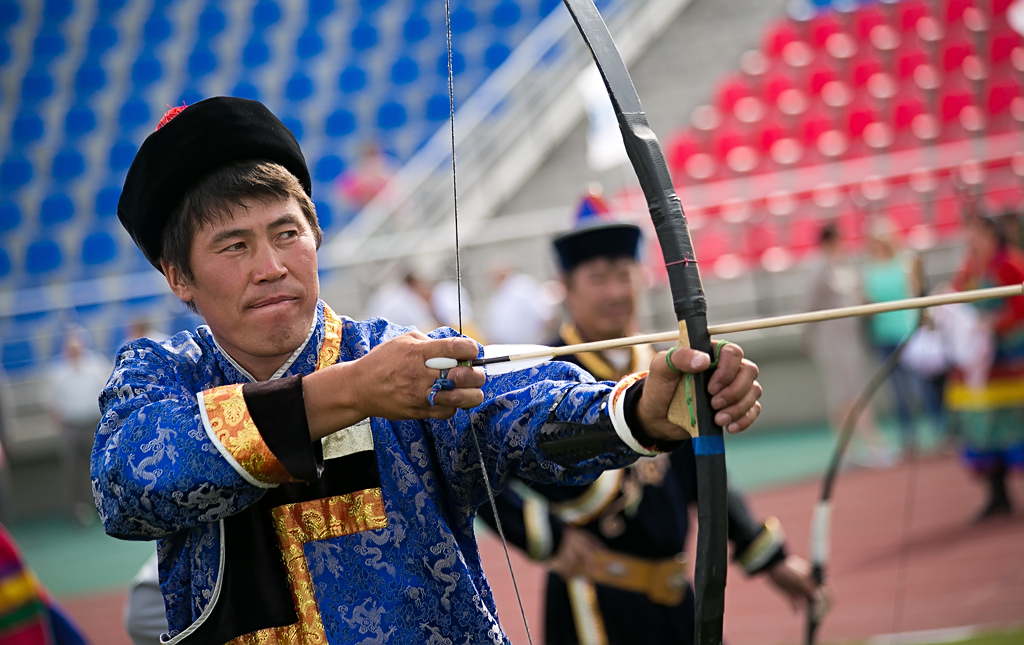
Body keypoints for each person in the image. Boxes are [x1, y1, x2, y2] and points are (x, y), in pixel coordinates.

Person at [92, 97, 763, 643]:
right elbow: (132, 482)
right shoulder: (160, 377)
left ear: (317, 233)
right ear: (178, 276)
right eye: (234, 246)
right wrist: (353, 389)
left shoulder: (406, 358)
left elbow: (518, 411)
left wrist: (644, 409)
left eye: (286, 233)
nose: (271, 266)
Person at [477, 203, 819, 643]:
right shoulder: (545, 370)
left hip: (675, 597)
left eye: (624, 275)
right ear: (565, 288)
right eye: (597, 278)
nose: (616, 292)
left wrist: (768, 557)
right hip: (592, 603)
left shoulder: (661, 365)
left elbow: (701, 471)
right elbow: (477, 460)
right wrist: (547, 538)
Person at [945, 213, 1024, 521]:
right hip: (979, 365)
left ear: (992, 235)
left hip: (1008, 358)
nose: (971, 239)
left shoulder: (1010, 263)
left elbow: (1019, 306)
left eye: (976, 232)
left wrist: (994, 323)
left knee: (1015, 423)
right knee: (984, 429)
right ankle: (998, 495)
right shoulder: (969, 267)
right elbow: (956, 300)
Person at [804, 222, 897, 468]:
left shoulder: (844, 265)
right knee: (843, 395)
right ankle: (855, 448)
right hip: (831, 341)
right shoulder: (820, 267)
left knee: (855, 391)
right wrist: (810, 337)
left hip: (851, 340)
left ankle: (863, 446)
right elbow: (810, 305)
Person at [861, 219, 925, 451]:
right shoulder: (869, 269)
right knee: (897, 391)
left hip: (906, 333)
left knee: (918, 384)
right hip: (882, 335)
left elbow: (916, 293)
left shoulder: (904, 262)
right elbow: (866, 302)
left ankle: (937, 428)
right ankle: (908, 436)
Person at [46, 327, 111, 526]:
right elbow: (50, 402)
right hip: (71, 426)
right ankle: (79, 508)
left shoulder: (97, 365)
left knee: (102, 466)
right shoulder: (57, 373)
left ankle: (108, 505)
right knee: (72, 470)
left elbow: (108, 392)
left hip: (95, 424)